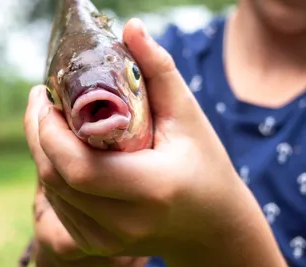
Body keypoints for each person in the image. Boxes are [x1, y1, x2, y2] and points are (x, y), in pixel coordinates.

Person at [23, 0, 306, 266]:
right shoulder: (160, 55)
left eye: (132, 76)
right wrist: (68, 247)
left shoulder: (161, 72)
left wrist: (215, 237)